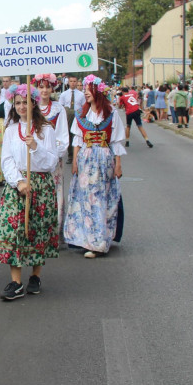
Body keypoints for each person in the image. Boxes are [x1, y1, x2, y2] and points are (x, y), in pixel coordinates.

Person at [0, 83, 59, 300]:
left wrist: (36, 147)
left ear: (34, 103)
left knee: (37, 230)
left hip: (41, 185)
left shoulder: (47, 130)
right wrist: (19, 181)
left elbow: (52, 162)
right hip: (18, 185)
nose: (22, 106)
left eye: (26, 102)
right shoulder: (11, 130)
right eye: (18, 102)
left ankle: (35, 275)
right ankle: (16, 282)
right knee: (14, 231)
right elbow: (6, 160)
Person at [65, 75, 125, 259]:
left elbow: (116, 141)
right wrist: (75, 161)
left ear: (97, 92)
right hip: (85, 160)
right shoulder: (81, 115)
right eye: (84, 89)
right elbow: (77, 140)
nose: (85, 92)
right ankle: (87, 239)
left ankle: (99, 240)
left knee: (101, 198)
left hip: (104, 159)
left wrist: (118, 164)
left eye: (88, 89)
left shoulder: (111, 114)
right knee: (85, 199)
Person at [33, 74, 69, 231]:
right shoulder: (30, 108)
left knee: (54, 192)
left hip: (53, 159)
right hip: (34, 158)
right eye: (41, 87)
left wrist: (53, 154)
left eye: (47, 87)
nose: (45, 90)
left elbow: (62, 135)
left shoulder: (58, 109)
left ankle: (53, 229)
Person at [58, 75, 86, 162]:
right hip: (68, 115)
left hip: (77, 114)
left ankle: (77, 154)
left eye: (74, 81)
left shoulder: (81, 95)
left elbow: (84, 106)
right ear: (68, 82)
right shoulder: (64, 94)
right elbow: (60, 106)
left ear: (77, 82)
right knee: (69, 134)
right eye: (71, 81)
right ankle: (70, 155)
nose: (73, 83)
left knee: (77, 134)